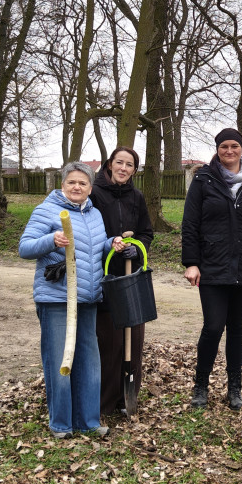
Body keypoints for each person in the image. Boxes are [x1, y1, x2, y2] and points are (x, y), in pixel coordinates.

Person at [19, 162, 128, 438]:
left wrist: (112, 242)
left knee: (89, 363)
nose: (77, 187)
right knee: (60, 362)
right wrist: (51, 240)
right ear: (63, 184)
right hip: (57, 299)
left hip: (88, 298)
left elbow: (96, 246)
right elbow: (24, 248)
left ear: (90, 188)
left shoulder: (94, 214)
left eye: (82, 183)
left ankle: (88, 422)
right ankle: (61, 424)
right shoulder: (47, 210)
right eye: (72, 182)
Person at [181, 128, 242, 410]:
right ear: (217, 149)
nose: (229, 151)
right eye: (224, 146)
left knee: (236, 327)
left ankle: (234, 388)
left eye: (234, 146)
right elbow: (190, 224)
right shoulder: (203, 179)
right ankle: (201, 385)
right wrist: (191, 262)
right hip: (212, 264)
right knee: (213, 327)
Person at [90, 146, 154, 415]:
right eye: (119, 162)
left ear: (134, 170)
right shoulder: (94, 193)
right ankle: (104, 402)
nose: (124, 168)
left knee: (134, 339)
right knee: (109, 340)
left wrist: (137, 247)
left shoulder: (136, 197)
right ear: (109, 164)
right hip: (105, 274)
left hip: (131, 274)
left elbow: (146, 232)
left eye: (129, 165)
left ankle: (127, 398)